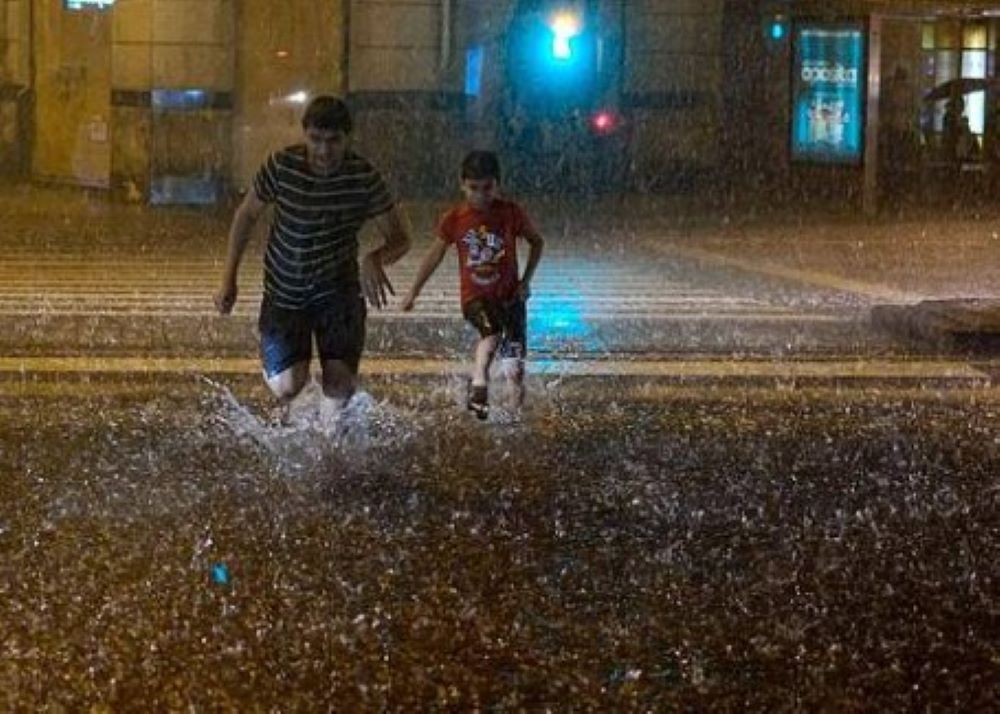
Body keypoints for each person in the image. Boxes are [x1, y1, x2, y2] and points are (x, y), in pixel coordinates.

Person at [214, 95, 411, 414]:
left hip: (338, 291)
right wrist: (228, 280)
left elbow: (401, 237)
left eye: (334, 141)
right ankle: (289, 376)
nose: (323, 151)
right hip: (285, 292)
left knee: (339, 386)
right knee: (287, 387)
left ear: (348, 138)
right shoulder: (282, 166)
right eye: (315, 139)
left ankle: (330, 443)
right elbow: (246, 215)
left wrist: (375, 258)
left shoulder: (363, 177)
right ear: (304, 134)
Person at [400, 150, 544, 420]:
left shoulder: (510, 213)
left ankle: (515, 417)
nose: (480, 196)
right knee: (491, 334)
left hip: (511, 299)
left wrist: (526, 281)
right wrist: (413, 291)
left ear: (497, 184)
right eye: (473, 188)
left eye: (487, 188)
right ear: (462, 184)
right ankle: (479, 382)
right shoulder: (455, 219)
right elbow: (435, 254)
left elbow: (537, 242)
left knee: (515, 371)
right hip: (475, 298)